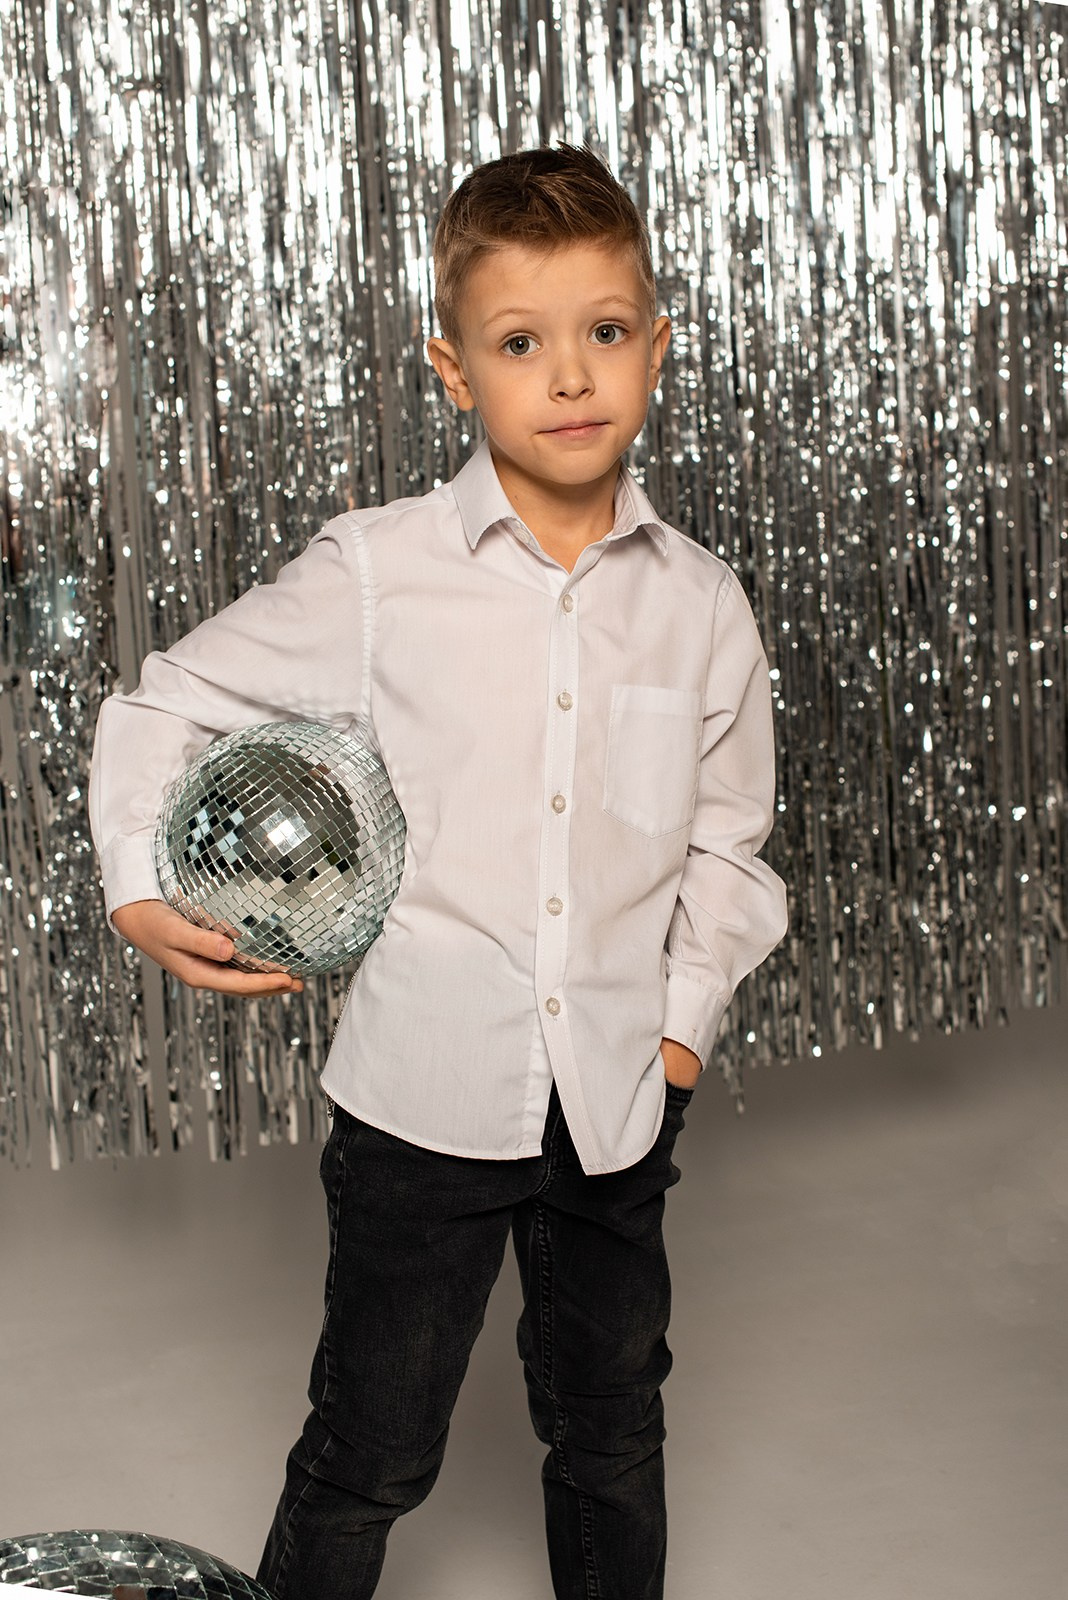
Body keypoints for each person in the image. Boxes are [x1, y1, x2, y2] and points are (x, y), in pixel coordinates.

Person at [89, 143, 788, 1600]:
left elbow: (728, 844)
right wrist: (139, 886)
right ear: (454, 371)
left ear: (658, 345)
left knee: (613, 1437)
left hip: (616, 1108)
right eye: (521, 343)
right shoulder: (376, 573)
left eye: (606, 331)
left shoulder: (704, 605)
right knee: (371, 1450)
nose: (572, 376)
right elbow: (164, 698)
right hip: (420, 1105)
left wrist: (677, 1033)